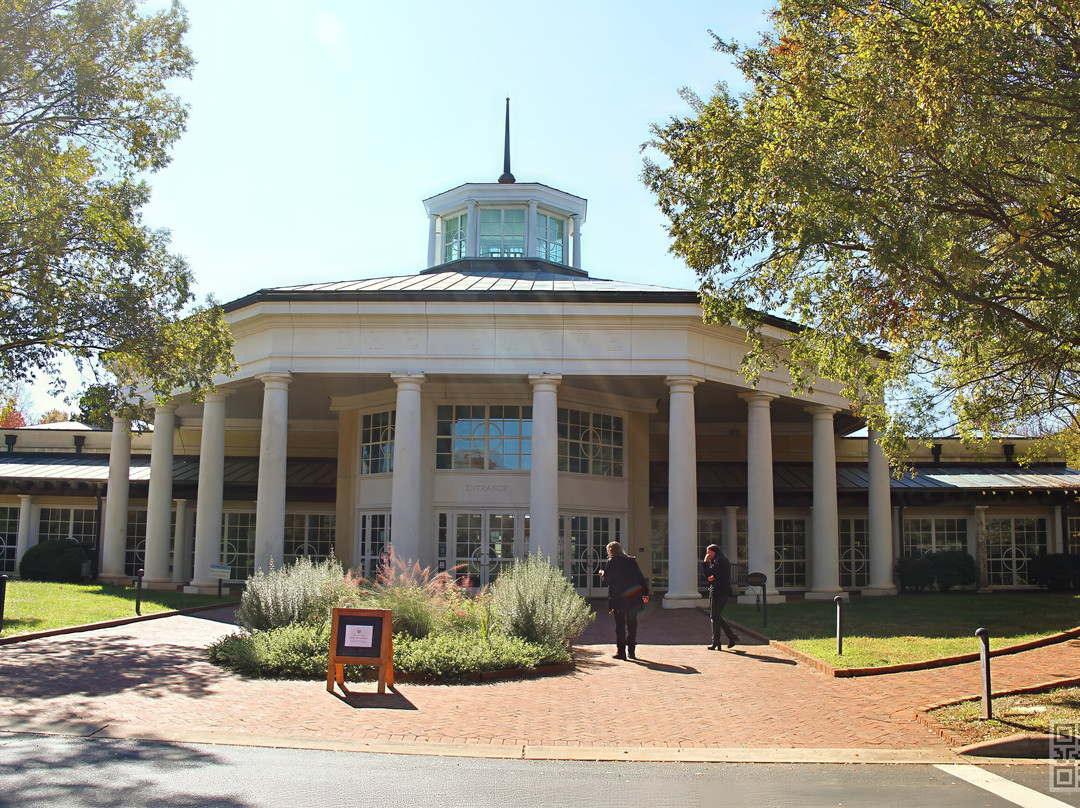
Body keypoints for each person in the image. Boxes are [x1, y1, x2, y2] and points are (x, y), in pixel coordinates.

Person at [599, 541, 650, 660]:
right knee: (632, 625)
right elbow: (640, 577)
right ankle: (631, 651)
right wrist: (645, 592)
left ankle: (621, 652)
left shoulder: (612, 562)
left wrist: (602, 574)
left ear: (611, 551)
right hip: (633, 596)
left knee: (620, 625)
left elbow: (607, 580)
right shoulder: (631, 561)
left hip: (618, 598)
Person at [701, 543, 737, 650]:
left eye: (709, 553)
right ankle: (725, 638)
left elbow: (709, 573)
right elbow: (710, 575)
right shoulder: (719, 559)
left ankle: (718, 640)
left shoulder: (719, 560)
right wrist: (711, 575)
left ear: (715, 552)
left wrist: (705, 562)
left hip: (720, 591)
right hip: (718, 590)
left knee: (714, 616)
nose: (708, 555)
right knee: (715, 616)